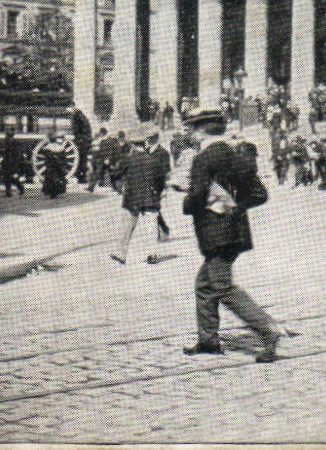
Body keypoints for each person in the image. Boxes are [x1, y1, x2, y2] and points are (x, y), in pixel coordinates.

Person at [180, 104, 281, 361]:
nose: (189, 133)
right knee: (204, 285)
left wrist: (188, 201)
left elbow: (196, 198)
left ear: (201, 131)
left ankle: (267, 329)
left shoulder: (204, 158)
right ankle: (208, 340)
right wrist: (234, 207)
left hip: (216, 233)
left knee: (222, 286)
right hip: (236, 232)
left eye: (191, 129)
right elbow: (260, 194)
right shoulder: (235, 153)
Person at [113, 134, 171, 265]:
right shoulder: (154, 160)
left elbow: (115, 174)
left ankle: (121, 254)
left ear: (133, 146)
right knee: (150, 227)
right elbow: (161, 181)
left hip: (132, 198)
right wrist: (157, 193)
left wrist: (121, 187)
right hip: (150, 197)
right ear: (144, 145)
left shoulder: (127, 160)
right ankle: (151, 254)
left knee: (127, 227)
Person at [39, 132, 74, 198]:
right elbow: (64, 157)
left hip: (51, 166)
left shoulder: (48, 148)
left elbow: (46, 156)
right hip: (59, 166)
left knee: (50, 179)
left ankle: (51, 192)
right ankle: (57, 191)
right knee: (58, 178)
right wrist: (62, 164)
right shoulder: (60, 147)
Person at [0, 127, 26, 197]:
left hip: (11, 161)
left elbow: (15, 152)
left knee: (11, 177)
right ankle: (10, 191)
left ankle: (19, 188)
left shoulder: (12, 141)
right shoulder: (10, 141)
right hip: (8, 160)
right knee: (8, 177)